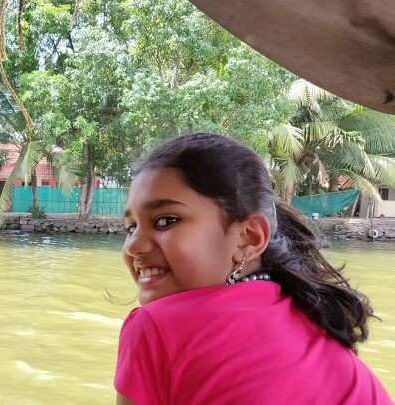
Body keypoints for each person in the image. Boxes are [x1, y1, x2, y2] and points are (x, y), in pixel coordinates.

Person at [115, 133, 393, 405]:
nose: (133, 246)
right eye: (131, 228)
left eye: (166, 221)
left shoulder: (155, 329)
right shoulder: (308, 315)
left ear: (249, 237)